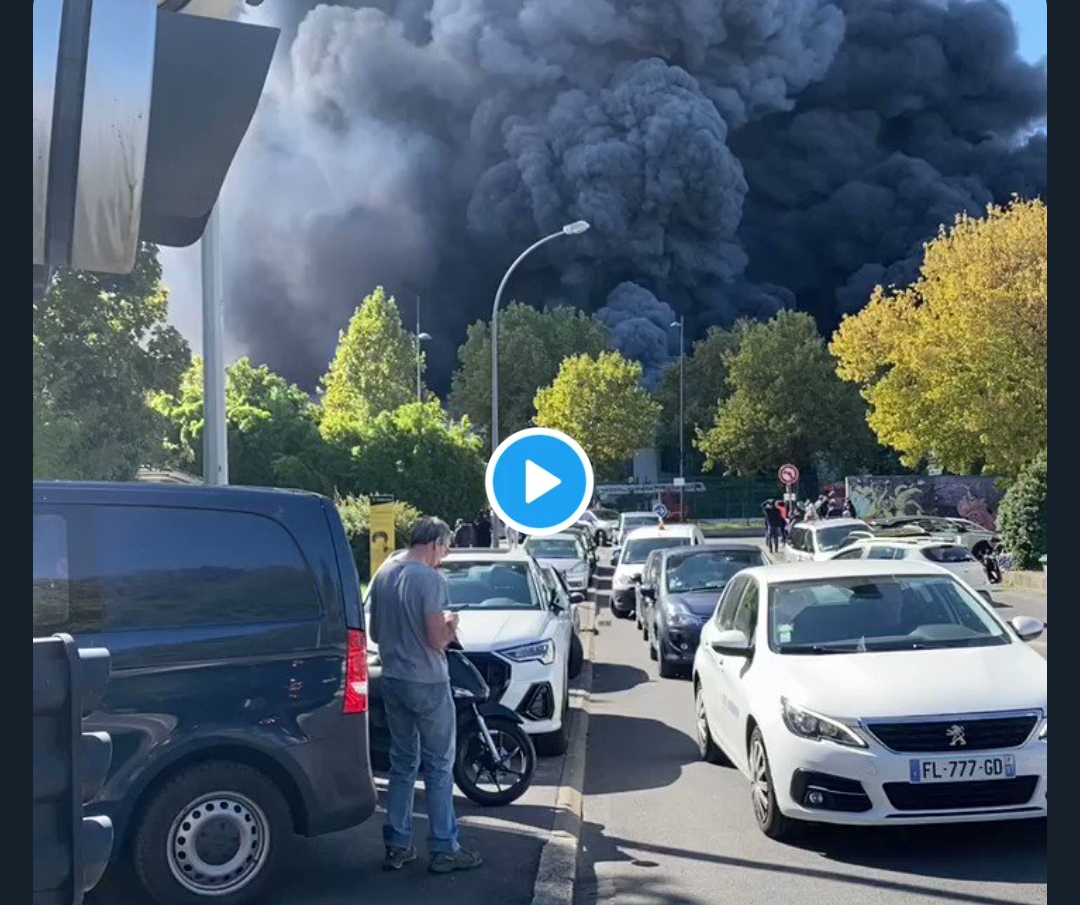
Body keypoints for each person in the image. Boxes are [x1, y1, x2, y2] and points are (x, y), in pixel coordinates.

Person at [367, 517, 483, 875]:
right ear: (434, 543)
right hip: (428, 682)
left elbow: (374, 631)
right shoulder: (430, 580)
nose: (443, 557)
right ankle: (445, 848)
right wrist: (452, 623)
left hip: (393, 679)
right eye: (445, 549)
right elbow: (437, 640)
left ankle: (397, 845)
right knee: (438, 766)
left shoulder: (385, 573)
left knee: (402, 763)